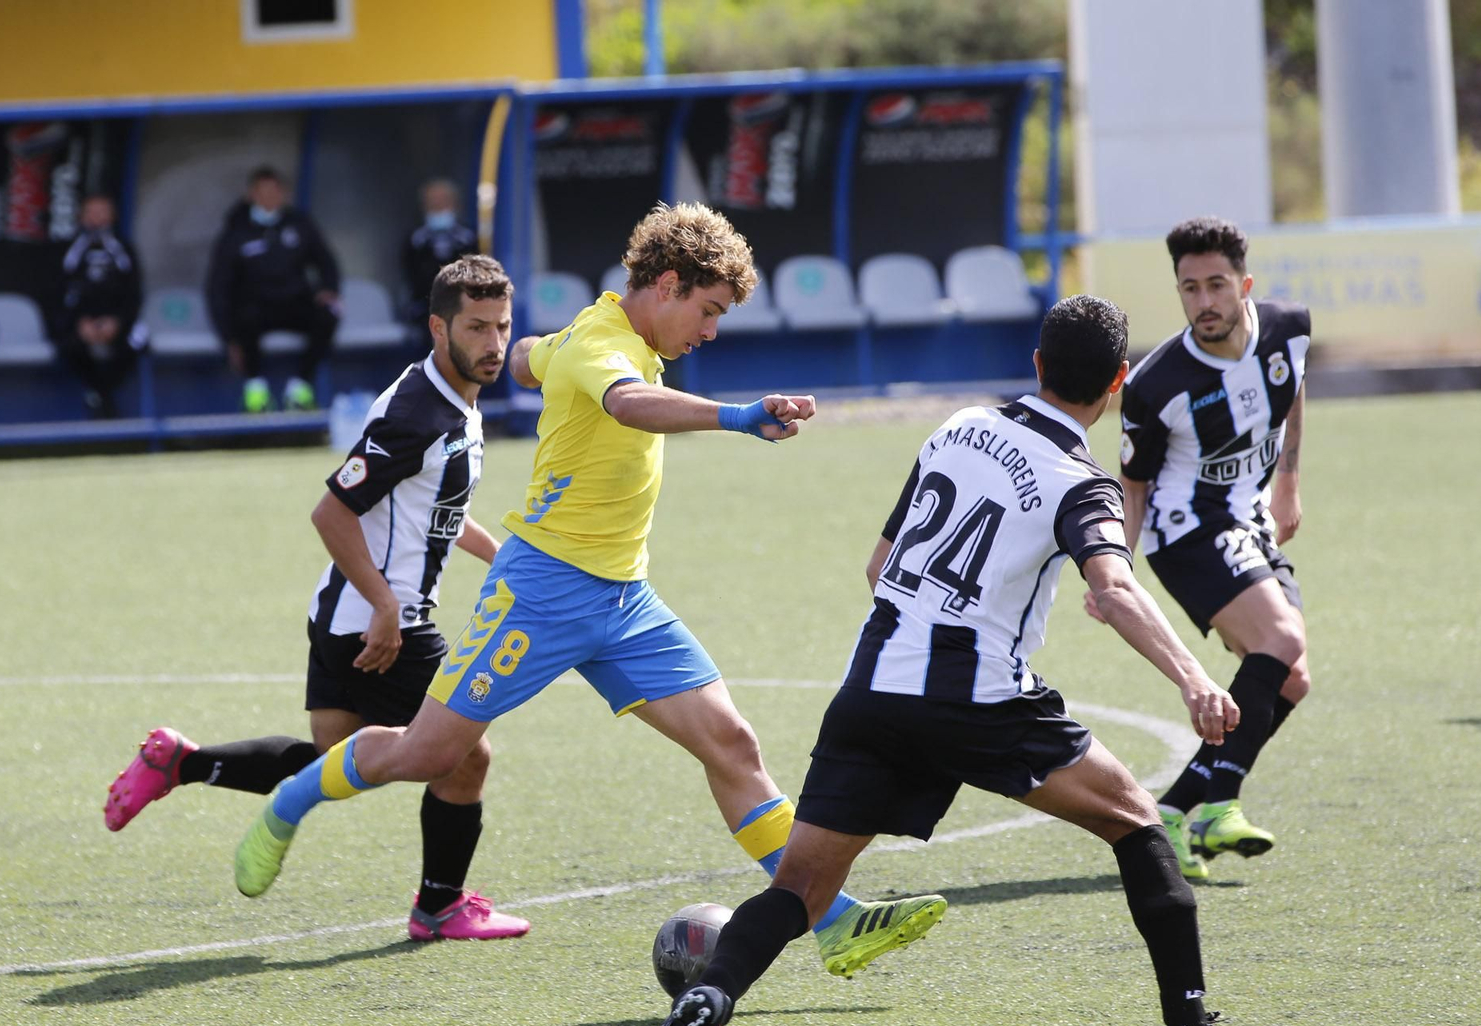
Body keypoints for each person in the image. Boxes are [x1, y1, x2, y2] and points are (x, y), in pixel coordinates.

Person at [231, 201, 946, 979]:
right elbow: (627, 403)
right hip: (540, 592)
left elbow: (536, 357)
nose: (709, 332)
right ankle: (292, 798)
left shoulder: (600, 333)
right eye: (706, 312)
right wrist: (739, 416)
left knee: (732, 744)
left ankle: (833, 922)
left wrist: (542, 350)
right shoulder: (607, 345)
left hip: (624, 598)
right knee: (427, 751)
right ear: (667, 284)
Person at [634, 295, 1259, 1026]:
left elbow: (878, 568)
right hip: (981, 699)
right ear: (1119, 381)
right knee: (1136, 823)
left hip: (871, 689)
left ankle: (701, 1008)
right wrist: (1196, 678)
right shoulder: (1082, 482)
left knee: (796, 891)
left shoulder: (958, 427)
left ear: (1036, 364)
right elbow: (1115, 589)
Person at [105, 256, 529, 941]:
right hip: (387, 621)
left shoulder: (452, 399)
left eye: (502, 327)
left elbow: (434, 507)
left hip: (340, 612)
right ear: (436, 325)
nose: (493, 343)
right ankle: (441, 906)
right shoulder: (418, 413)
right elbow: (331, 513)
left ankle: (183, 761)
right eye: (476, 327)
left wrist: (502, 557)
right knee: (463, 758)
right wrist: (387, 607)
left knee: (335, 760)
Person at [1087, 216, 1311, 883]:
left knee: (1290, 679)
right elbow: (1130, 485)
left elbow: (1294, 389)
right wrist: (1114, 571)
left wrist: (1289, 484)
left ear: (1243, 284)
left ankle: (1173, 814)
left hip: (1248, 520)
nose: (1205, 301)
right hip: (1185, 531)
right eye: (1191, 289)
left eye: (1217, 285)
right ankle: (1219, 804)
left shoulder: (1288, 328)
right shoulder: (1157, 386)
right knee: (1281, 637)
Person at [206, 166, 340, 414]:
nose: (269, 197)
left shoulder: (299, 224)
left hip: (294, 302)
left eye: (274, 191)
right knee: (242, 319)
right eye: (262, 191)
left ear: (283, 194)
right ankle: (256, 393)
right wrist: (228, 338)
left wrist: (328, 288)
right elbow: (218, 286)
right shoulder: (236, 232)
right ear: (251, 195)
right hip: (255, 307)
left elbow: (326, 260)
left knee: (329, 314)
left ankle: (299, 389)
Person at [55, 194, 146, 419]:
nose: (97, 219)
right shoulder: (71, 250)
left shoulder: (123, 248)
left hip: (117, 321)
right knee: (68, 344)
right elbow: (58, 293)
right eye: (91, 213)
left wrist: (117, 321)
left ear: (113, 216)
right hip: (80, 322)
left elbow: (134, 293)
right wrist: (79, 322)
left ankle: (101, 395)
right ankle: (101, 396)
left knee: (137, 343)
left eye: (102, 213)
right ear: (81, 217)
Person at [402, 179, 479, 327]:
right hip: (425, 307)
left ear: (454, 204)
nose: (437, 207)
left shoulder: (467, 238)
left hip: (462, 304)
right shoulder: (415, 240)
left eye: (442, 202)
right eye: (432, 203)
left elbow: (475, 271)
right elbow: (411, 274)